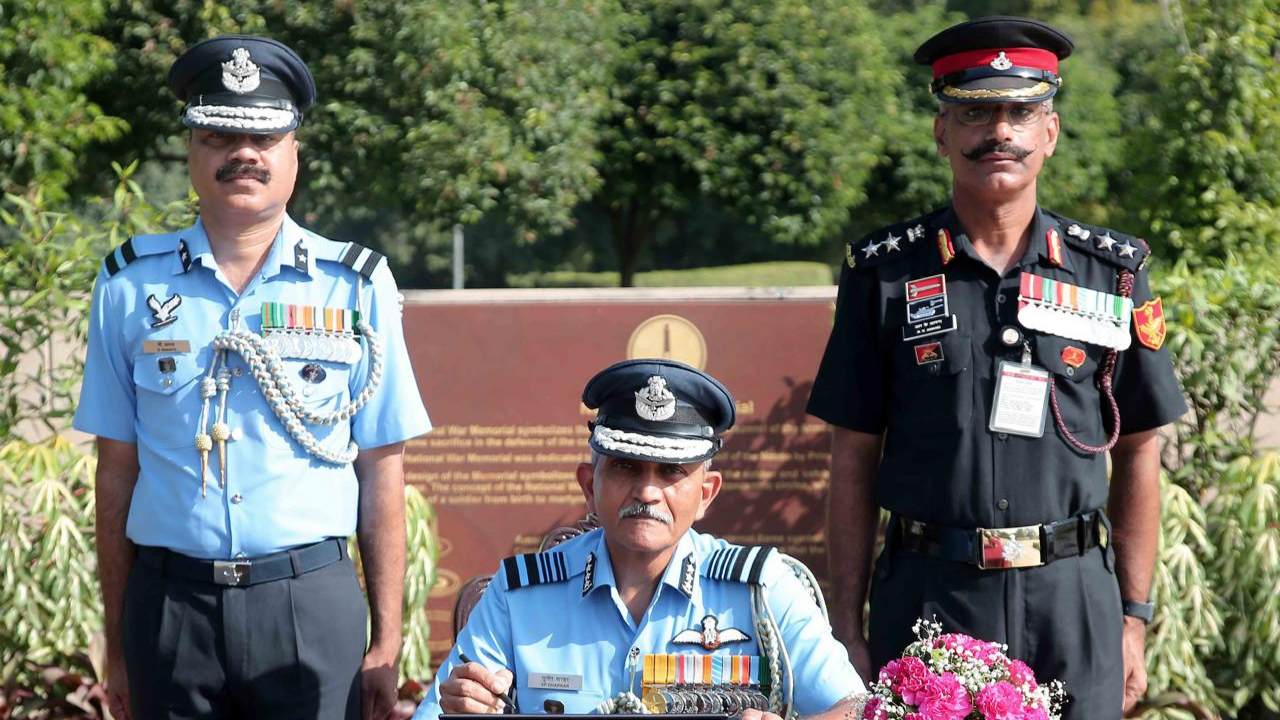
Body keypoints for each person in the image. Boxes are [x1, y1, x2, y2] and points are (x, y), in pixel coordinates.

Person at [806, 16, 1186, 720]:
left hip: (1072, 602)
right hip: (928, 595)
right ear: (942, 132)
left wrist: (1133, 616)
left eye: (1020, 111)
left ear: (1051, 131)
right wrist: (847, 629)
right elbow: (854, 456)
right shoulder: (885, 276)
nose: (999, 132)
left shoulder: (1111, 274)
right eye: (975, 112)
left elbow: (1139, 449)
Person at [74, 35, 431, 720]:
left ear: (294, 149)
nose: (244, 154)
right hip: (170, 607)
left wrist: (387, 641)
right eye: (218, 135)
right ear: (191, 152)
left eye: (265, 136)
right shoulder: (128, 285)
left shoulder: (354, 285)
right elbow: (115, 469)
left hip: (308, 601)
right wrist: (118, 646)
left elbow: (383, 467)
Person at [412, 359, 864, 720]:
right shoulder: (520, 595)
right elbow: (441, 711)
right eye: (626, 466)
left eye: (671, 472)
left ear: (706, 494)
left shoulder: (761, 589)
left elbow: (860, 709)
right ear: (590, 485)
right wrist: (464, 705)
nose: (647, 492)